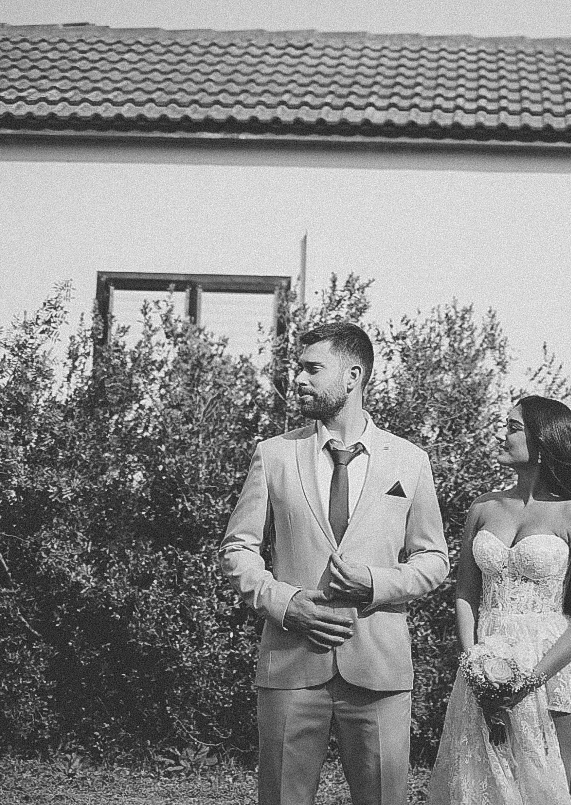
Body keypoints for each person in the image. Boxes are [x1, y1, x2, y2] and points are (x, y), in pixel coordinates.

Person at [220, 322, 449, 805]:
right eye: (298, 368)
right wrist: (286, 604)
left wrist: (376, 583)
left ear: (353, 376)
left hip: (379, 670)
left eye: (312, 369)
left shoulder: (409, 461)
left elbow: (433, 559)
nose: (298, 379)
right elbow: (238, 549)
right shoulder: (274, 455)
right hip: (290, 666)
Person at [427, 396, 571, 805]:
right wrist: (473, 662)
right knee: (482, 783)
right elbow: (465, 593)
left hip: (552, 666)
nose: (502, 435)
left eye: (513, 427)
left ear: (544, 441)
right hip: (484, 661)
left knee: (548, 786)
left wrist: (531, 680)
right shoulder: (483, 508)